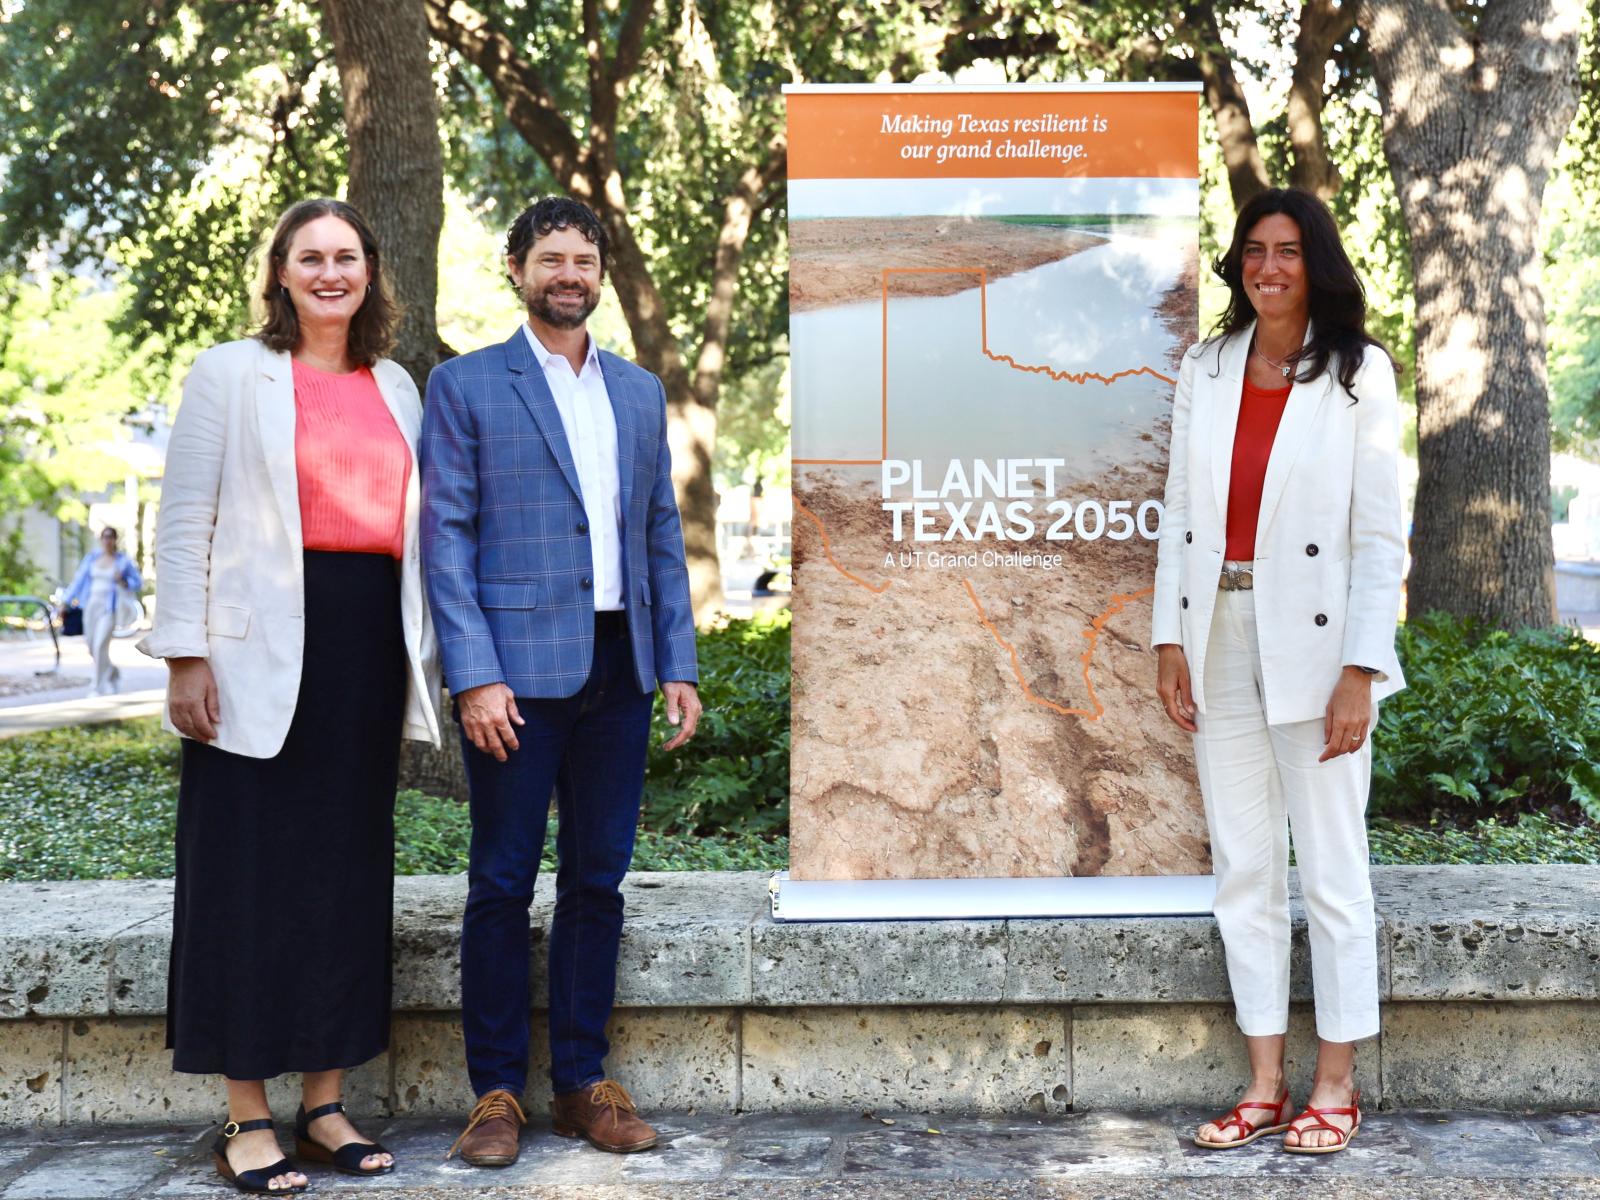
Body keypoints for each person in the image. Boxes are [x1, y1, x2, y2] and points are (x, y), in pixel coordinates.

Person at [138, 198, 442, 1194]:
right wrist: (185, 654)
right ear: (279, 272)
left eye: (346, 255)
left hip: (362, 653)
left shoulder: (395, 385)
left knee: (344, 880)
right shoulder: (231, 373)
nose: (328, 271)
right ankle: (244, 1117)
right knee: (244, 880)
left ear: (370, 274)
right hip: (252, 652)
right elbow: (187, 517)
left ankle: (323, 1104)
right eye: (308, 256)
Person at [421, 196, 701, 1167]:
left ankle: (584, 1083)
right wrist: (474, 675)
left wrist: (679, 665)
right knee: (500, 882)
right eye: (551, 257)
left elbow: (658, 533)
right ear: (516, 269)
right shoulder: (463, 386)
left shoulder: (638, 392)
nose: (569, 273)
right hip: (515, 682)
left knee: (596, 880)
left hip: (618, 670)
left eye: (584, 258)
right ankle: (494, 1094)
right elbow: (444, 539)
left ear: (600, 271)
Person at [1150, 188, 1406, 1155]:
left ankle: (1334, 1086)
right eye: (1255, 250)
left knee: (1334, 873)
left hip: (1320, 643)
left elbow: (1380, 537)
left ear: (1317, 263)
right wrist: (1170, 635)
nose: (1269, 267)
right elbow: (1180, 511)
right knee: (1245, 869)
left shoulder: (1358, 375)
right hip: (1218, 631)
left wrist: (1361, 668)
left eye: (1289, 251)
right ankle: (1263, 1085)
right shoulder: (1207, 366)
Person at [62, 526, 142, 695]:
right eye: (104, 537)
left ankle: (97, 687)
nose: (107, 540)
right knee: (92, 647)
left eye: (111, 537)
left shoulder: (123, 561)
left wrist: (123, 581)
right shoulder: (92, 558)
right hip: (91, 606)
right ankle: (112, 672)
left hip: (109, 609)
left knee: (100, 646)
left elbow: (137, 583)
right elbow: (78, 581)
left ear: (115, 540)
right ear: (101, 539)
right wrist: (65, 601)